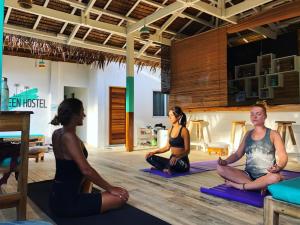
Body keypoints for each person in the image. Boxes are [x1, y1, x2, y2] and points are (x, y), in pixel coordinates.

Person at [50, 98, 129, 217]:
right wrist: (110, 188)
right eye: (82, 111)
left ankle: (86, 198)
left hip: (56, 196)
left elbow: (70, 167)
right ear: (75, 115)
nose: (84, 115)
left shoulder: (57, 133)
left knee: (88, 180)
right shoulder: (69, 137)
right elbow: (86, 170)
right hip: (68, 202)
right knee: (121, 196)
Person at [217, 103, 288, 191]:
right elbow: (237, 154)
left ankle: (240, 186)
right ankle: (257, 186)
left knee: (275, 177)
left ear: (265, 116)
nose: (254, 117)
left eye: (258, 114)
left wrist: (279, 166)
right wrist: (225, 161)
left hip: (267, 175)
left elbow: (283, 155)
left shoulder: (273, 134)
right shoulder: (248, 134)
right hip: (247, 175)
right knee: (220, 168)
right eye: (252, 114)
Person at [145, 106, 190, 174]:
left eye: (171, 115)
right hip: (172, 160)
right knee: (149, 157)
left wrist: (177, 157)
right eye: (169, 115)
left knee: (173, 163)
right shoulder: (169, 130)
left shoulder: (184, 130)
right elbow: (167, 147)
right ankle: (165, 168)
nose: (169, 117)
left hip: (181, 161)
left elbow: (187, 150)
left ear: (179, 117)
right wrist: (153, 152)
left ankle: (162, 167)